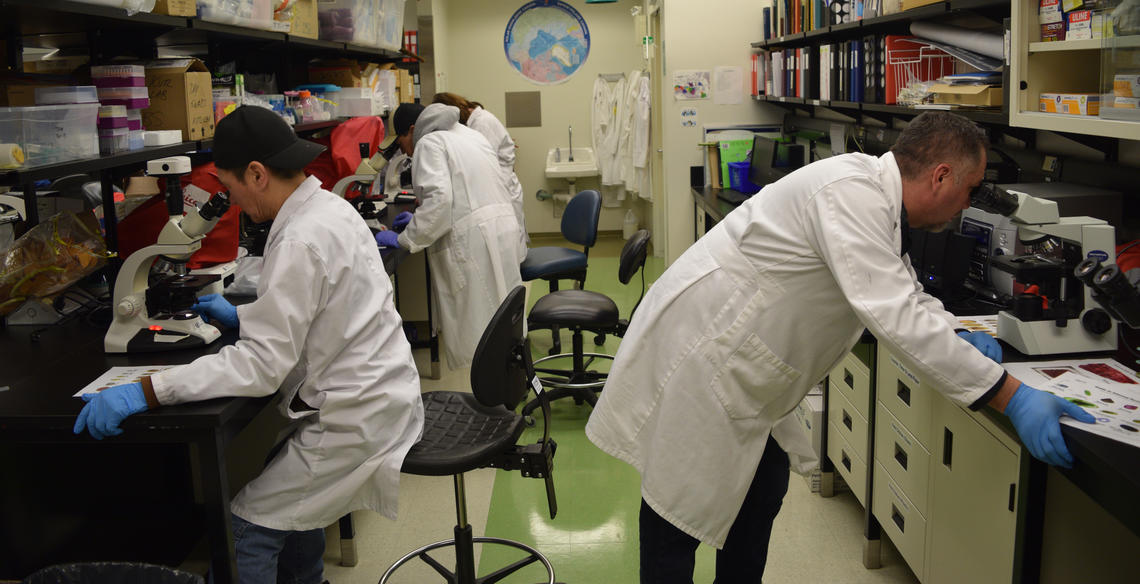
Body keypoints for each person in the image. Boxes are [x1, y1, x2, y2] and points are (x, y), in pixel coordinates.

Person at [583, 111, 1096, 583]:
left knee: (760, 490)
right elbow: (893, 313)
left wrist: (957, 334)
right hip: (706, 355)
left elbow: (903, 289)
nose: (968, 203)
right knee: (678, 509)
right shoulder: (852, 193)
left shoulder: (875, 197)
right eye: (970, 189)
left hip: (739, 366)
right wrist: (1012, 396)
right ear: (940, 176)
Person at [74, 106, 425, 584]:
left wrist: (147, 390)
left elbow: (262, 367)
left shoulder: (301, 238)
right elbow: (322, 308)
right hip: (372, 391)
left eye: (230, 186)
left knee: (247, 527)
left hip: (356, 412)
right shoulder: (328, 209)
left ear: (257, 174)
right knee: (286, 499)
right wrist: (244, 316)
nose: (231, 201)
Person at [376, 103, 525, 370]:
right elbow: (460, 195)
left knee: (480, 327)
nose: (404, 151)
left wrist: (403, 239)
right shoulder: (468, 134)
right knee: (504, 317)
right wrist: (419, 222)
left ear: (412, 130)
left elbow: (440, 204)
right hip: (501, 229)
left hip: (473, 242)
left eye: (401, 143)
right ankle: (512, 383)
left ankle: (489, 399)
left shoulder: (429, 143)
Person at [432, 92, 528, 246]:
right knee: (506, 247)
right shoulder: (475, 121)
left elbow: (480, 161)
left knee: (509, 246)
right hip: (497, 187)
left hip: (502, 188)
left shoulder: (482, 122)